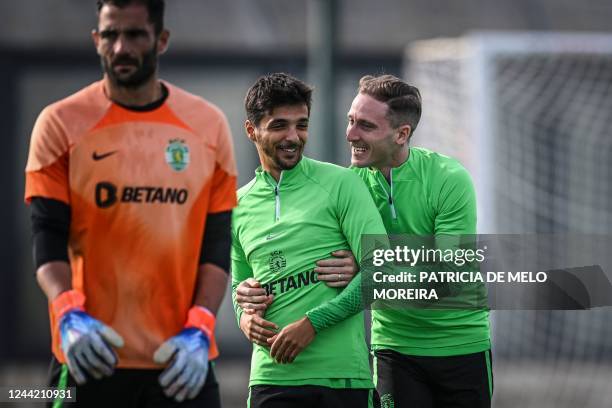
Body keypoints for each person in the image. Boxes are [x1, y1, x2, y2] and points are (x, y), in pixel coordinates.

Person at [24, 1, 237, 406]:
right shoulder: (59, 123)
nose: (120, 47)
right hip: (88, 358)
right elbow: (47, 238)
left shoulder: (208, 126)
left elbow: (215, 245)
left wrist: (200, 328)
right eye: (110, 35)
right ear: (96, 40)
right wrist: (69, 315)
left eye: (135, 34)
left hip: (182, 363)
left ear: (161, 39)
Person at [237, 74, 492, 408]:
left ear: (402, 134)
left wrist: (364, 263)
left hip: (461, 344)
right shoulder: (350, 183)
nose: (350, 134)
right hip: (393, 347)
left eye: (366, 126)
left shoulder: (448, 179)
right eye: (351, 120)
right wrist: (244, 299)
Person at [231, 73, 386, 408]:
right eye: (279, 126)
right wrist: (244, 319)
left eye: (301, 125)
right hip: (272, 381)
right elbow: (238, 289)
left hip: (342, 379)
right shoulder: (237, 207)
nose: (293, 137)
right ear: (250, 131)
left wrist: (313, 324)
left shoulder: (342, 183)